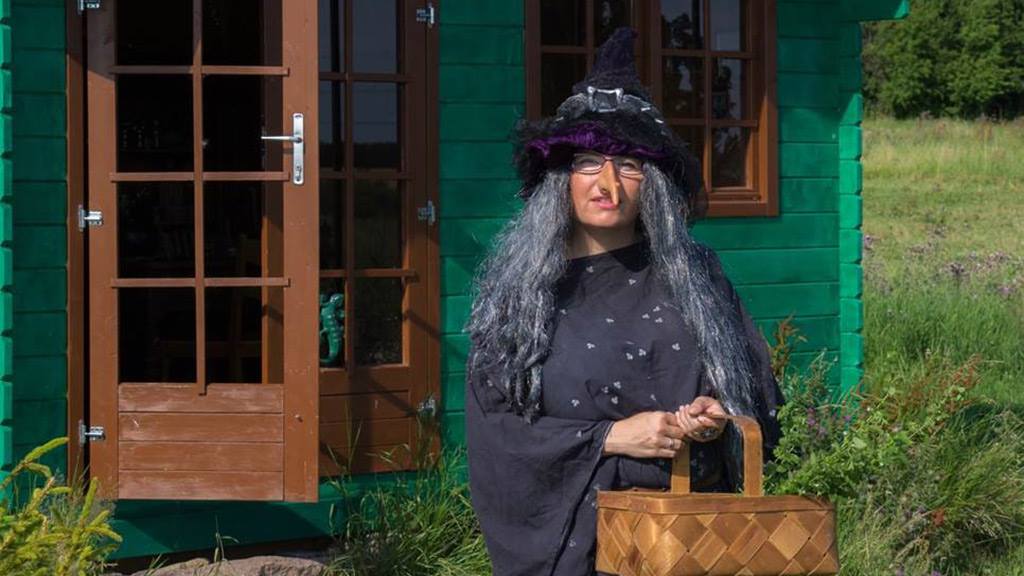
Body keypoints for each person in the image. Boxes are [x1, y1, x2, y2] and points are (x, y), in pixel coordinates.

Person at [463, 28, 784, 576]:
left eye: (629, 165)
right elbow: (497, 434)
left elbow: (751, 393)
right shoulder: (519, 297)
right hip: (575, 551)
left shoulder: (697, 278)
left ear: (652, 183)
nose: (607, 184)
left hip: (686, 541)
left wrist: (714, 416)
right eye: (588, 162)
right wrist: (611, 438)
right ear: (560, 178)